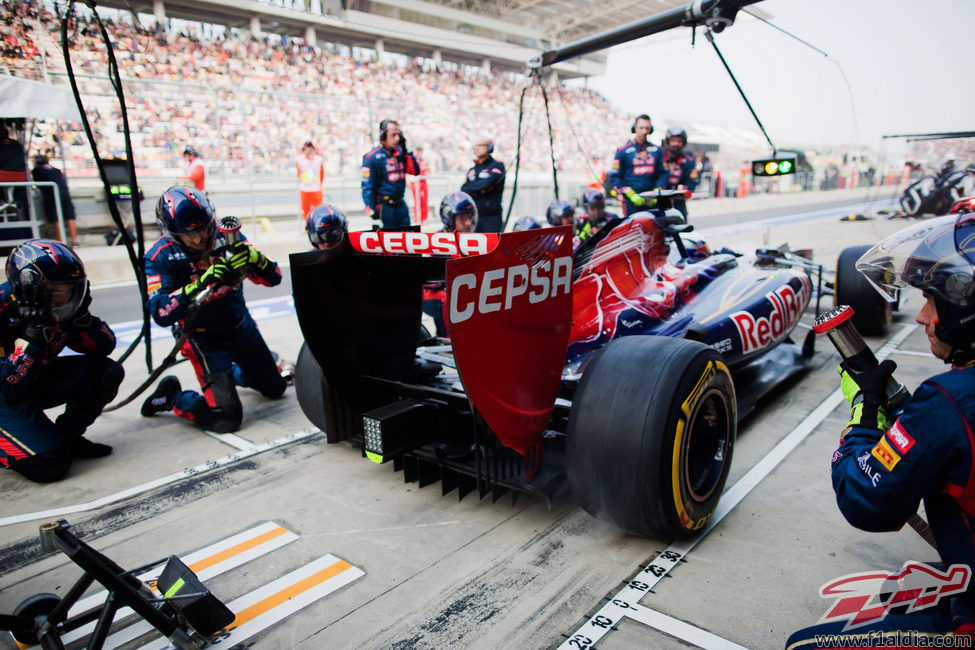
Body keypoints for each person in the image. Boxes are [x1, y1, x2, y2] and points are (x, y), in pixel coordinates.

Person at [787, 213, 975, 648]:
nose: (922, 317)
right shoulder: (947, 408)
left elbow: (867, 501)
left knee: (800, 646)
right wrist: (913, 424)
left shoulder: (948, 400)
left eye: (933, 300)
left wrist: (864, 411)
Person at [141, 186, 287, 433]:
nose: (198, 239)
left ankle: (236, 373)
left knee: (276, 389)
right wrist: (197, 286)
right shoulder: (159, 257)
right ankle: (173, 397)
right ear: (172, 234)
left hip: (241, 327)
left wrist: (255, 258)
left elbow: (275, 278)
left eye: (202, 230)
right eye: (189, 235)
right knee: (225, 419)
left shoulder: (228, 236)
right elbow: (159, 312)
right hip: (203, 340)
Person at [0, 239, 123, 483]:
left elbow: (104, 346)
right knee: (49, 465)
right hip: (5, 391)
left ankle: (69, 435)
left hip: (35, 377)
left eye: (71, 288)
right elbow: (10, 388)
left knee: (106, 371)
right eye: (58, 290)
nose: (66, 296)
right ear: (30, 287)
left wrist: (83, 318)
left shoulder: (61, 306)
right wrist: (32, 336)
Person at [422, 192, 478, 337]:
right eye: (462, 218)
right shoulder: (437, 241)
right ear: (450, 218)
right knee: (449, 296)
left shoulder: (476, 240)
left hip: (460, 292)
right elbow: (427, 282)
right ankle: (451, 340)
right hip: (435, 295)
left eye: (469, 216)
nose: (468, 223)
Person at [361, 119, 419, 229]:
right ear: (383, 136)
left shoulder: (401, 154)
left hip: (402, 206)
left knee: (407, 240)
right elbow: (367, 188)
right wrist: (372, 210)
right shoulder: (372, 158)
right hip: (385, 208)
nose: (397, 138)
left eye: (398, 134)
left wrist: (407, 151)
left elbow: (415, 171)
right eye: (393, 135)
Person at [607, 114, 663, 217]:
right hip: (632, 202)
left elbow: (663, 174)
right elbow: (614, 176)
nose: (644, 131)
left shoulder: (657, 150)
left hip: (653, 201)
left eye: (647, 128)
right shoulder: (623, 151)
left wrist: (657, 191)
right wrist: (626, 192)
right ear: (634, 128)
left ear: (650, 130)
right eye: (641, 128)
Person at [460, 137, 505, 234]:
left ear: (489, 148)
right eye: (475, 146)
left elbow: (486, 184)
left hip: (491, 218)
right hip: (474, 217)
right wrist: (480, 189)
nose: (476, 148)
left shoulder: (497, 166)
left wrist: (476, 188)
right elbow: (464, 190)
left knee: (492, 247)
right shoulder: (472, 170)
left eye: (480, 145)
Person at [31, 154, 78, 246]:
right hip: (64, 192)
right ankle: (74, 240)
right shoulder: (55, 169)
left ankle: (60, 242)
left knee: (56, 218)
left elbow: (37, 184)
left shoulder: (37, 170)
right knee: (69, 217)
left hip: (52, 194)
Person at [656, 124, 698, 217]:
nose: (676, 144)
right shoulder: (658, 156)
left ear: (683, 143)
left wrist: (685, 188)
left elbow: (693, 181)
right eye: (673, 140)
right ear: (668, 141)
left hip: (678, 201)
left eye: (679, 141)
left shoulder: (688, 160)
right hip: (658, 201)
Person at [296, 141, 324, 220]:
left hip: (316, 189)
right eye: (307, 149)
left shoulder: (319, 160)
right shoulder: (300, 160)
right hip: (304, 189)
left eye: (310, 148)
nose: (309, 151)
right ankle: (307, 227)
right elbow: (298, 174)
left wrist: (319, 185)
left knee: (319, 210)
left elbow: (322, 175)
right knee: (306, 210)